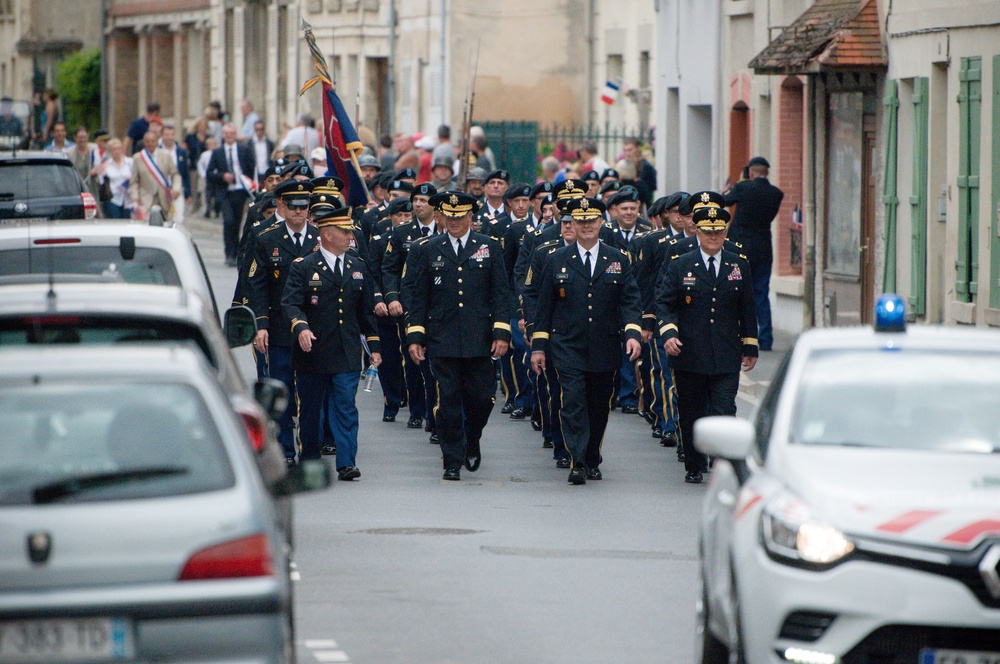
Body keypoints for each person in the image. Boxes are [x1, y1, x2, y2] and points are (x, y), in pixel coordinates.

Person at [530, 196, 643, 484]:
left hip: (605, 344)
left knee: (598, 405)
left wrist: (632, 334)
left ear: (601, 222)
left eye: (591, 221)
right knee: (573, 402)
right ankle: (577, 460)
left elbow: (629, 300)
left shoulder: (617, 259)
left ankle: (593, 456)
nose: (586, 226)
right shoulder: (556, 259)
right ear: (571, 225)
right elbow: (545, 307)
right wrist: (539, 348)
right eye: (580, 222)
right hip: (567, 345)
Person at [405, 191, 512, 481]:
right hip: (442, 337)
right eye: (449, 216)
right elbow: (418, 296)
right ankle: (451, 459)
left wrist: (502, 331)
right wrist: (415, 336)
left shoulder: (489, 246)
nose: (454, 221)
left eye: (460, 216)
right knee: (448, 402)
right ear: (440, 216)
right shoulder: (428, 248)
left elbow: (501, 293)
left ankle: (472, 437)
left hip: (480, 337)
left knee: (482, 399)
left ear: (470, 217)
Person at [655, 191, 758, 484]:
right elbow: (665, 303)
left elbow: (747, 307)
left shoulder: (738, 264)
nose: (713, 236)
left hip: (726, 350)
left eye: (719, 231)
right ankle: (694, 462)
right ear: (697, 231)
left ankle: (722, 461)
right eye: (708, 231)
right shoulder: (680, 263)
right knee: (692, 411)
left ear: (725, 232)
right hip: (689, 352)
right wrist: (669, 332)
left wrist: (750, 345)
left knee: (725, 408)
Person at [282, 205, 381, 479]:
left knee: (346, 407)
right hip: (312, 352)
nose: (350, 236)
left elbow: (366, 313)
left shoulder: (357, 266)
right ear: (327, 234)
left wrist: (374, 348)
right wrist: (300, 327)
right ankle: (310, 459)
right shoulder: (304, 267)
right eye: (344, 231)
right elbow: (290, 303)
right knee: (311, 411)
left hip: (346, 351)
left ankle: (347, 462)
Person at [248, 180, 318, 464]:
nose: (299, 212)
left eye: (304, 207)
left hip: (314, 328)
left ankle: (310, 452)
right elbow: (257, 285)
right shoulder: (267, 238)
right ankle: (286, 452)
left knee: (311, 395)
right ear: (282, 207)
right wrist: (260, 325)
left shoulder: (319, 238)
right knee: (282, 391)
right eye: (293, 207)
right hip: (278, 329)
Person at [723, 156, 784, 351]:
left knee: (735, 290)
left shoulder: (743, 188)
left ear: (750, 172)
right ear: (767, 172)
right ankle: (765, 338)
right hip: (763, 249)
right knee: (761, 294)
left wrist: (739, 183)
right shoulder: (776, 194)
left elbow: (724, 199)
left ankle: (736, 336)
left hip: (739, 248)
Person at [207, 124, 256, 265]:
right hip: (225, 192)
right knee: (228, 221)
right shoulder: (217, 152)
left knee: (237, 222)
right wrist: (223, 176)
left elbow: (250, 167)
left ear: (235, 135)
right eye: (226, 133)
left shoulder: (243, 150)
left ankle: (235, 253)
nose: (229, 135)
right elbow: (210, 172)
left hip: (239, 191)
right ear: (223, 135)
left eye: (231, 133)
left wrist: (247, 183)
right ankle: (228, 253)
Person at [131, 131, 181, 221]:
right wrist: (135, 198)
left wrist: (176, 188)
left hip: (164, 198)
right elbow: (134, 181)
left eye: (153, 141)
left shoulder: (166, 155)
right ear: (144, 142)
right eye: (148, 141)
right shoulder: (138, 158)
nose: (150, 144)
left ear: (157, 142)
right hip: (145, 199)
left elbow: (175, 174)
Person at [160, 125, 191, 224]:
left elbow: (185, 173)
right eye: (167, 134)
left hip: (177, 190)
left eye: (172, 134)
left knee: (178, 218)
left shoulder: (181, 152)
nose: (169, 137)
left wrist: (188, 193)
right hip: (162, 189)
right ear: (162, 135)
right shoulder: (158, 150)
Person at [96, 138, 134, 219]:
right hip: (113, 198)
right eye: (114, 149)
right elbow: (101, 180)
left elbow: (136, 177)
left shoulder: (130, 162)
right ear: (110, 151)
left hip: (128, 198)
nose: (117, 151)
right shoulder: (106, 164)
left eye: (119, 148)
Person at [623, 137, 657, 206]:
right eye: (625, 150)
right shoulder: (626, 165)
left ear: (638, 148)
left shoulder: (646, 167)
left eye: (630, 150)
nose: (627, 153)